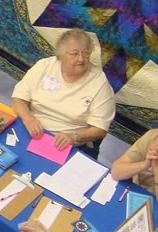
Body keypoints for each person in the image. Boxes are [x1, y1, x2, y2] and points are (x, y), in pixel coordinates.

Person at [11, 28, 115, 158]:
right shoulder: (45, 66)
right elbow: (18, 98)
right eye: (74, 54)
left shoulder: (100, 83)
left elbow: (100, 130)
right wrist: (28, 119)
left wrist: (74, 137)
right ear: (60, 54)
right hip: (30, 131)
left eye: (86, 53)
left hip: (67, 145)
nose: (81, 59)